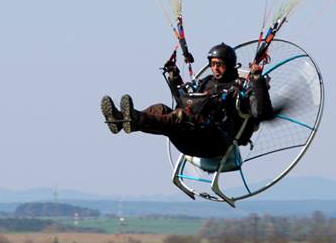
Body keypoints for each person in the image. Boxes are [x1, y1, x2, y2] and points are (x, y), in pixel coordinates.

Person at [100, 43, 274, 158]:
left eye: (219, 64)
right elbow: (185, 101)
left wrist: (257, 80)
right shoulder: (206, 82)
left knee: (181, 117)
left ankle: (134, 118)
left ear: (229, 64)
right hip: (191, 136)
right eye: (212, 64)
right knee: (161, 109)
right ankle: (121, 119)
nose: (215, 68)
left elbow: (262, 113)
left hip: (215, 142)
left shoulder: (241, 88)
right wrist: (174, 77)